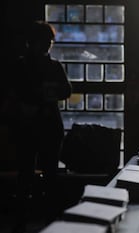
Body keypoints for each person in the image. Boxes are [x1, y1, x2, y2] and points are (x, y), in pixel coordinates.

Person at [9, 20, 72, 232]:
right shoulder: (30, 66)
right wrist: (47, 93)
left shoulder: (36, 66)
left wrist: (41, 93)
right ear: (32, 42)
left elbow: (66, 90)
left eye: (49, 42)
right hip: (38, 125)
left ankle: (37, 223)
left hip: (37, 126)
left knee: (44, 177)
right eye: (44, 41)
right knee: (28, 177)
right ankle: (34, 222)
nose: (47, 46)